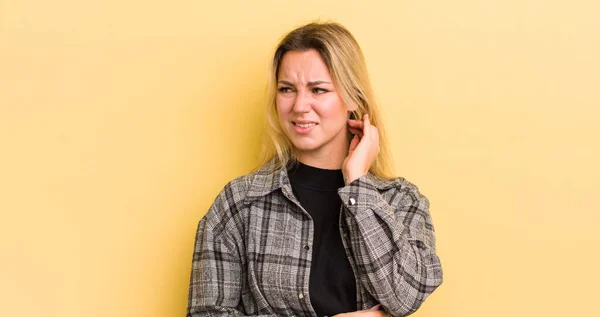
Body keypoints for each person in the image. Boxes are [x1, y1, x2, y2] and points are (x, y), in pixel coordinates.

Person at [186, 22, 443, 317]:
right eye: (287, 89)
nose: (299, 106)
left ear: (353, 99)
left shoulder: (400, 200)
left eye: (318, 90)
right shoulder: (240, 203)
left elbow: (403, 297)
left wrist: (358, 181)